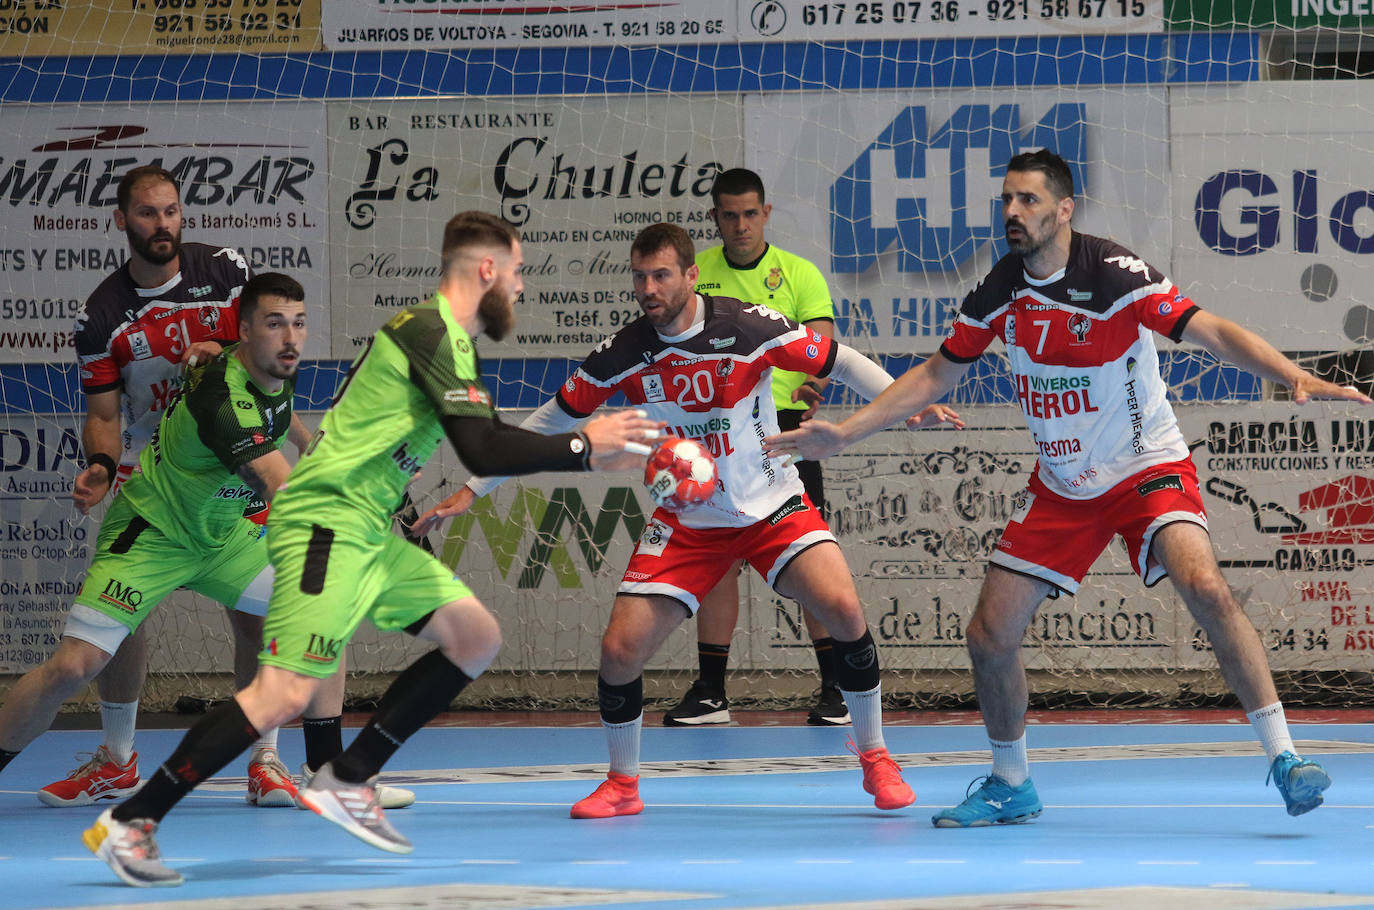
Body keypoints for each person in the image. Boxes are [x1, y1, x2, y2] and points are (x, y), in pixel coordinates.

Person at [765, 148, 1370, 827]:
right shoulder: (1001, 288)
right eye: (1006, 201)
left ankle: (1286, 758)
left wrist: (1291, 373)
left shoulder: (1110, 271)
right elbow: (937, 373)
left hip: (1146, 465)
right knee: (989, 634)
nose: (1013, 213)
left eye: (1027, 200)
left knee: (1203, 586)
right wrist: (846, 434)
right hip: (1062, 483)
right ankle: (1011, 782)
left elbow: (1209, 329)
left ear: (1063, 208)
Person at [81, 212, 660, 887]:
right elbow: (482, 447)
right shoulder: (429, 332)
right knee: (281, 692)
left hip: (364, 527)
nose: (523, 287)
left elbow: (487, 434)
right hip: (327, 522)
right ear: (486, 271)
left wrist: (584, 448)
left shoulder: (441, 340)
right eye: (519, 271)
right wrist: (588, 446)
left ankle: (348, 774)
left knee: (474, 635)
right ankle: (132, 822)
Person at [419, 223, 961, 821]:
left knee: (845, 609)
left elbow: (843, 359)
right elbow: (553, 417)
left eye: (660, 276)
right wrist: (474, 487)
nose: (647, 288)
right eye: (639, 277)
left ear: (690, 275)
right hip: (688, 520)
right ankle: (622, 784)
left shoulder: (748, 327)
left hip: (771, 505)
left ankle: (876, 755)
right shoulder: (624, 351)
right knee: (620, 649)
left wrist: (905, 406)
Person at [0, 273, 340, 809]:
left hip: (223, 536)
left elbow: (280, 421)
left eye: (299, 323)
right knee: (73, 666)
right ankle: (115, 763)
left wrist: (312, 442)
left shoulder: (267, 362)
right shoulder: (222, 399)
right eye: (276, 324)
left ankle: (323, 771)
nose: (291, 337)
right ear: (247, 330)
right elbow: (281, 484)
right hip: (152, 534)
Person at [45, 165, 308, 809]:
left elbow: (263, 347)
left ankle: (265, 762)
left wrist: (301, 438)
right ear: (122, 221)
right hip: (151, 479)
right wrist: (101, 469)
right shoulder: (100, 315)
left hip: (230, 471)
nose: (162, 224)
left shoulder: (224, 270)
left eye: (170, 211)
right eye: (146, 214)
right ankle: (116, 759)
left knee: (258, 617)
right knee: (120, 625)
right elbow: (104, 413)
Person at [665, 167, 848, 727]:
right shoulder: (699, 274)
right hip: (708, 436)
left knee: (806, 561)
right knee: (717, 562)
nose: (740, 224)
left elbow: (823, 351)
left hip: (781, 435)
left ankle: (836, 689)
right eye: (728, 214)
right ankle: (713, 693)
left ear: (766, 214)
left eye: (750, 214)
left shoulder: (798, 274)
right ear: (715, 217)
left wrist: (811, 394)